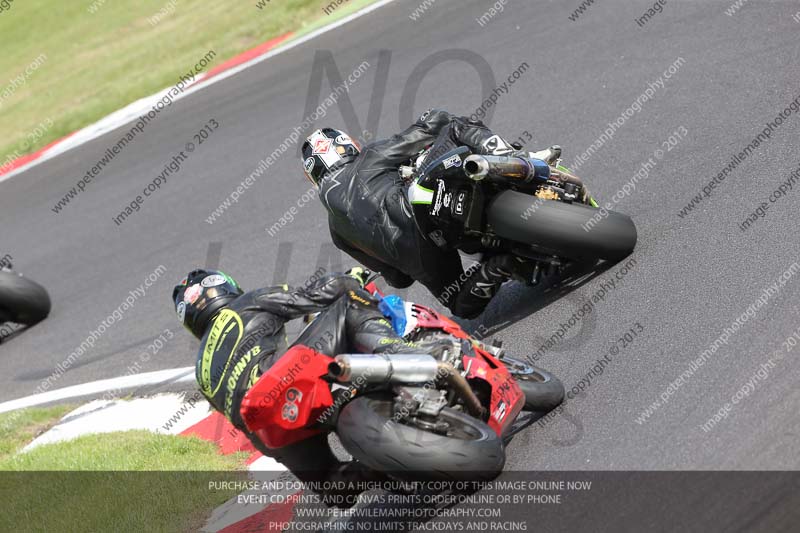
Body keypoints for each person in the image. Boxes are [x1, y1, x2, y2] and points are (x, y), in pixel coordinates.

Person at [171, 267, 448, 501]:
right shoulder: (245, 303)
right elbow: (313, 295)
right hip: (288, 380)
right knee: (349, 300)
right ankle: (403, 355)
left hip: (272, 429)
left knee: (334, 487)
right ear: (226, 288)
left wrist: (286, 456)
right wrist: (351, 278)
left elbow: (239, 418)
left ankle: (368, 470)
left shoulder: (202, 372)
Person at [301, 109, 561, 319]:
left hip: (421, 256)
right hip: (424, 209)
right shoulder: (368, 157)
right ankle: (515, 159)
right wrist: (431, 120)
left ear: (314, 177)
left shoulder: (337, 232)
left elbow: (398, 279)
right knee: (456, 126)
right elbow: (432, 125)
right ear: (349, 146)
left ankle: (500, 264)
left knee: (459, 302)